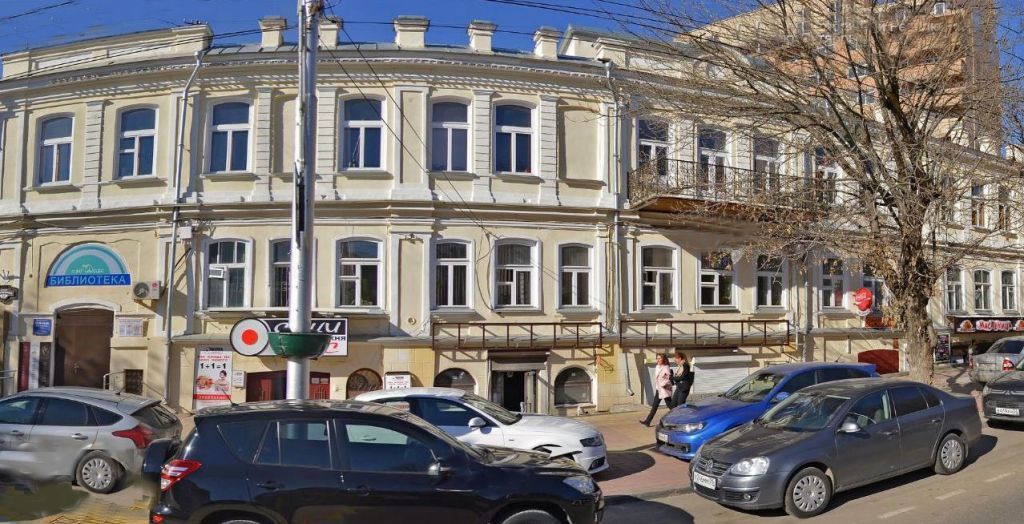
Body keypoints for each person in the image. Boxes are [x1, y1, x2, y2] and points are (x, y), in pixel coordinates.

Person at [640, 354, 674, 427]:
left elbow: (667, 379)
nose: (658, 360)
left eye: (659, 358)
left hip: (664, 389)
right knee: (655, 406)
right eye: (657, 358)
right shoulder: (657, 367)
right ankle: (647, 421)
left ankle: (680, 418)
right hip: (659, 389)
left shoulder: (666, 367)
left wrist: (661, 385)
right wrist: (658, 386)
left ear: (663, 359)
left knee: (670, 406)